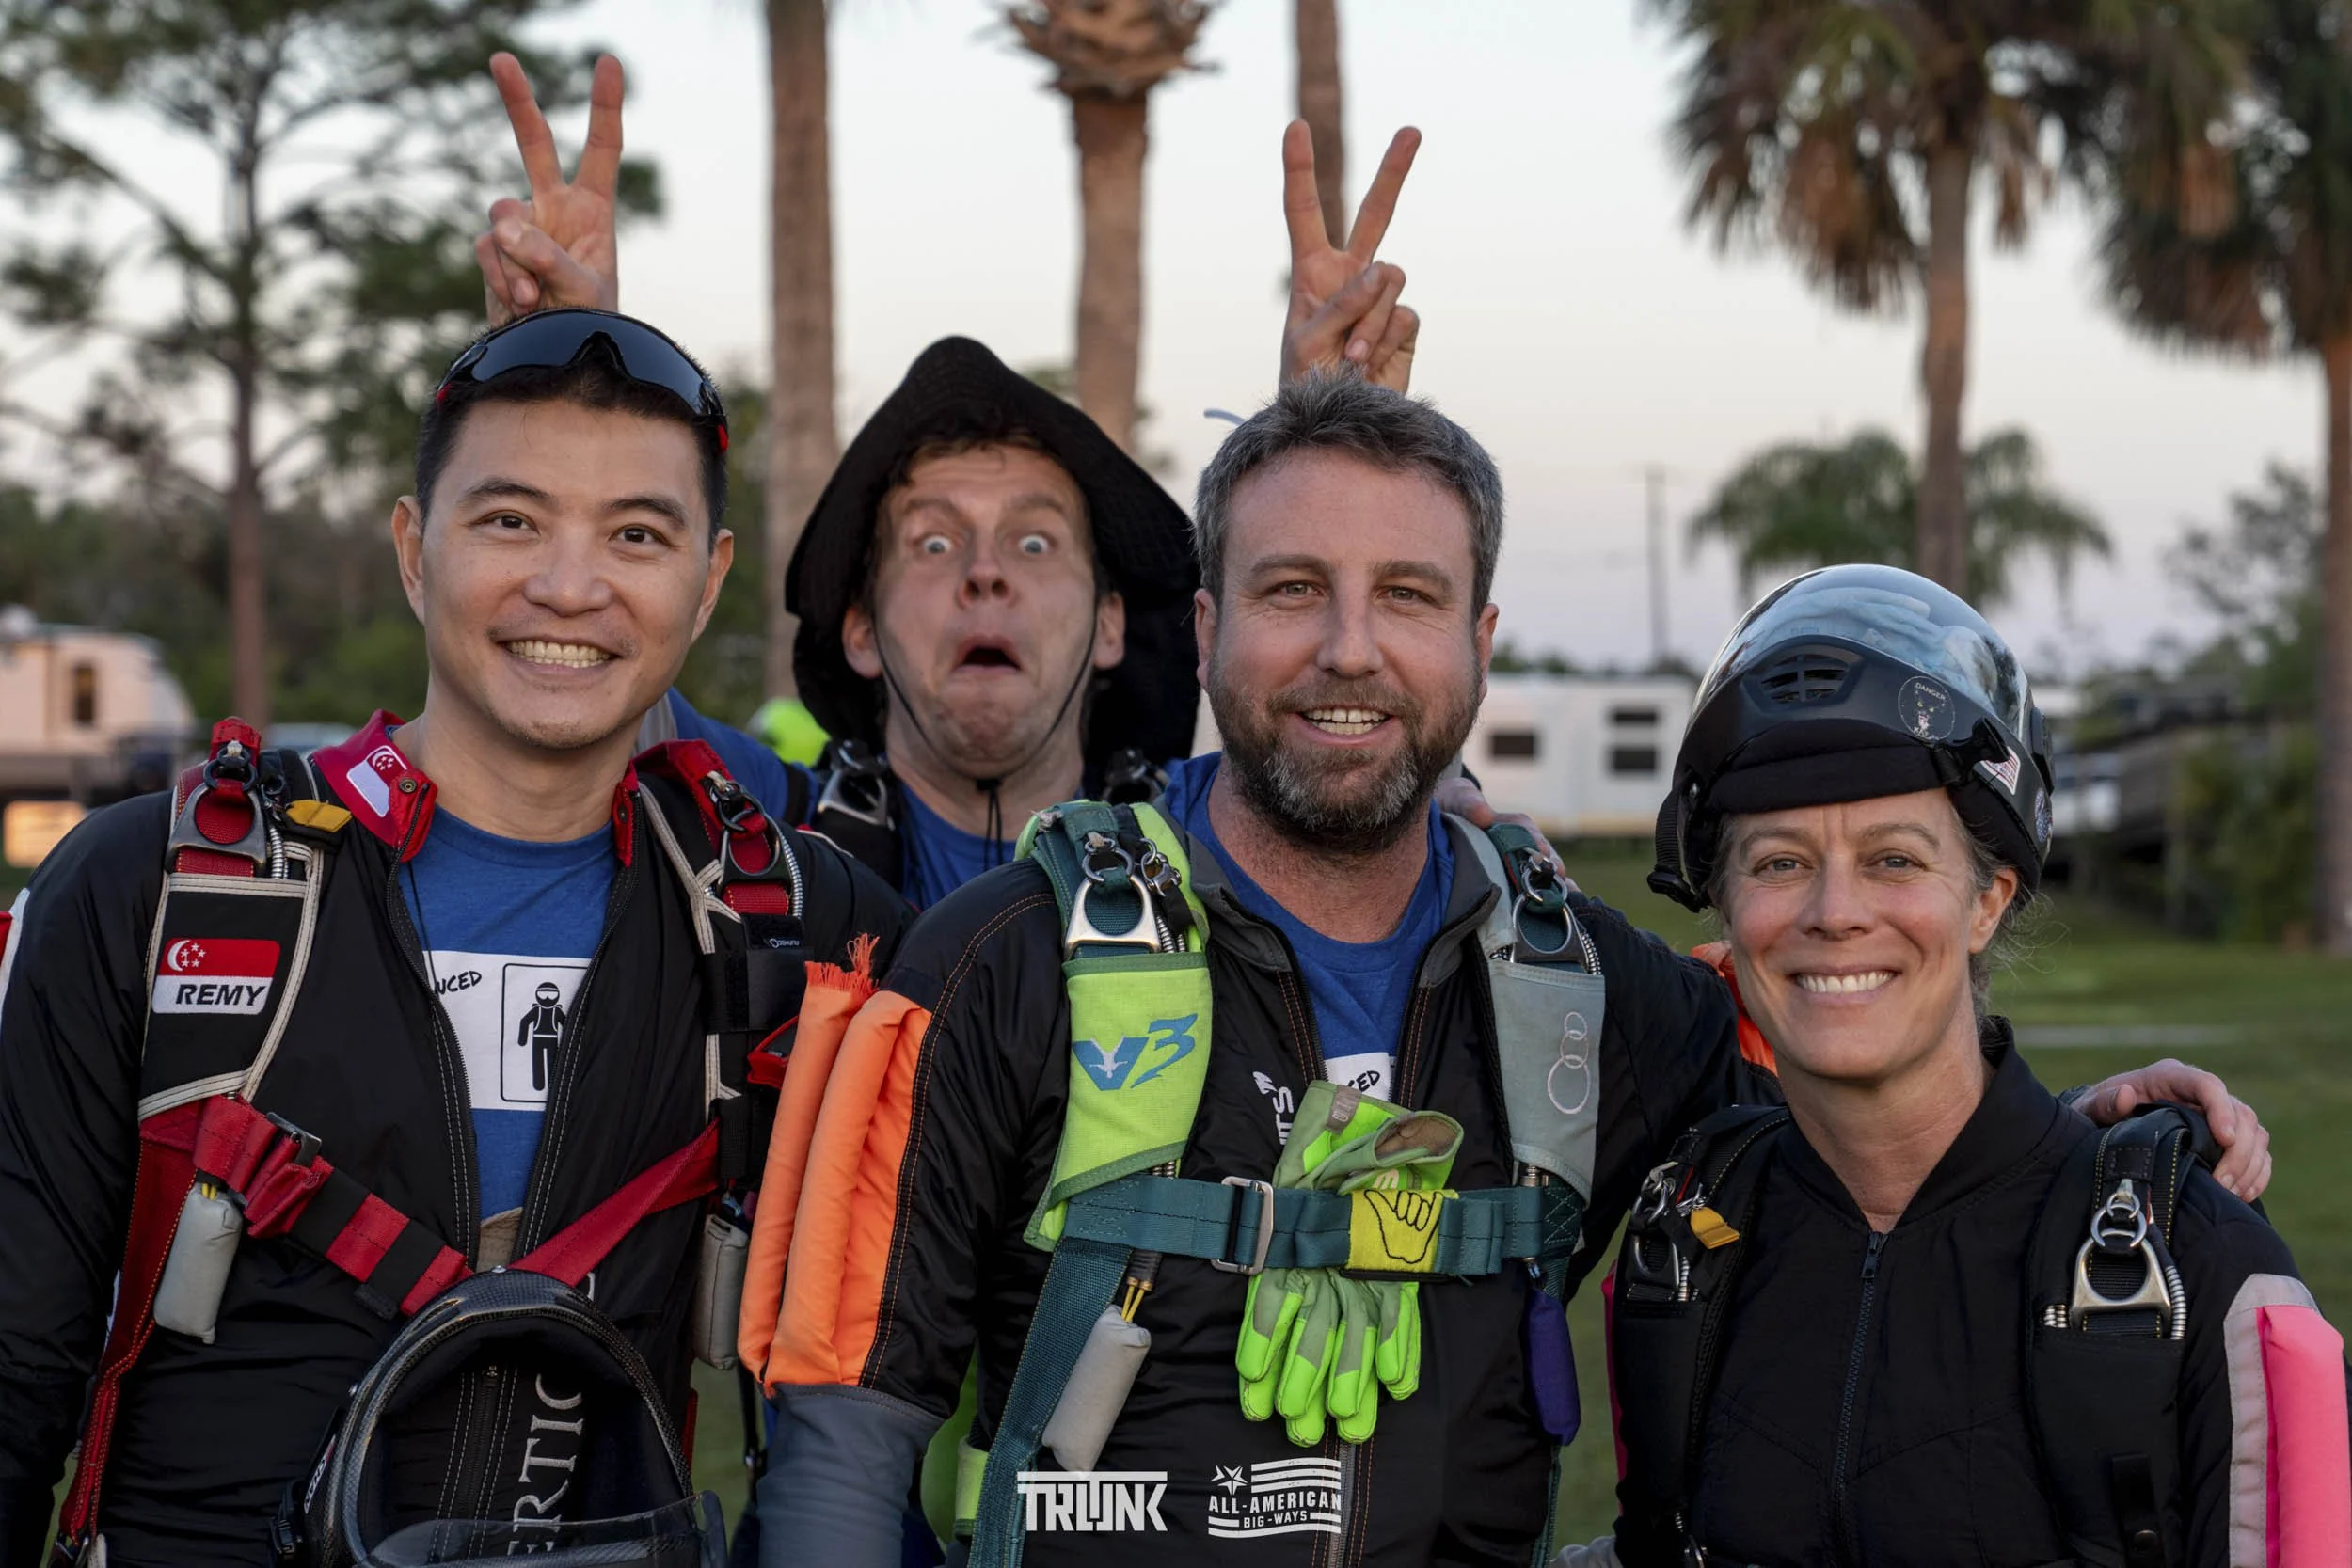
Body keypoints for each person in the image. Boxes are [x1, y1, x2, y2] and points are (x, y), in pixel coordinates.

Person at [740, 377, 2272, 1567]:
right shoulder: (1003, 961)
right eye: (1291, 592)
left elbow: (1872, 1090)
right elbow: (838, 1439)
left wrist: (2087, 1142)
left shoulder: (1584, 985)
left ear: (1479, 641)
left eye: (1407, 597)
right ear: (1207, 630)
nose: (1350, 648)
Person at [0, 309, 909, 1566]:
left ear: (706, 582)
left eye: (636, 534)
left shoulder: (796, 918)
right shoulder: (150, 887)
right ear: (415, 550)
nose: (570, 584)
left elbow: (1022, 1009)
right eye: (510, 518)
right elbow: (13, 1362)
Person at [469, 54, 1424, 906]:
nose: (984, 572)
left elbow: (1344, 715)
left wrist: (1326, 447)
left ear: (1109, 624)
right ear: (859, 628)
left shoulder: (1216, 848)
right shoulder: (750, 826)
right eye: (932, 540)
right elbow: (594, 663)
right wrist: (560, 371)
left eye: (1036, 540)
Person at [1583, 563, 2346, 1568]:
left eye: (1895, 857)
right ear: (1725, 907)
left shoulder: (2201, 1271)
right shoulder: (1677, 1263)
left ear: (1987, 898)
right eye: (1778, 861)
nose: (1834, 910)